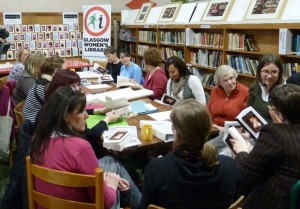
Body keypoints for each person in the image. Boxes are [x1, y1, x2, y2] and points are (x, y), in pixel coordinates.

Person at [30, 86, 126, 209]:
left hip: (46, 204)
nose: (87, 116)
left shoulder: (38, 139)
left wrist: (104, 180)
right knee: (114, 172)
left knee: (112, 164)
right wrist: (111, 185)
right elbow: (105, 202)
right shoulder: (80, 147)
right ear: (66, 117)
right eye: (81, 112)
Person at [138, 99, 240, 209]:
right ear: (207, 131)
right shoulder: (230, 166)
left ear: (175, 133)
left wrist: (161, 166)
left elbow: (145, 206)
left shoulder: (157, 169)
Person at [231, 84, 300, 209]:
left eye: (272, 109)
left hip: (272, 201)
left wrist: (242, 152)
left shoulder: (275, 132)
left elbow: (246, 177)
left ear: (279, 114)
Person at [22, 55, 65, 123]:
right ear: (56, 71)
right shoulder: (48, 86)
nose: (66, 74)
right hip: (34, 127)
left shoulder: (42, 81)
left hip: (32, 123)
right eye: (65, 70)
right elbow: (61, 107)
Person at [247, 54, 285, 123]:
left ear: (279, 73)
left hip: (274, 131)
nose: (269, 76)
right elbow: (248, 113)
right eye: (266, 71)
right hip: (254, 129)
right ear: (259, 72)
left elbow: (284, 124)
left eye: (274, 72)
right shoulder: (255, 86)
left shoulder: (285, 92)